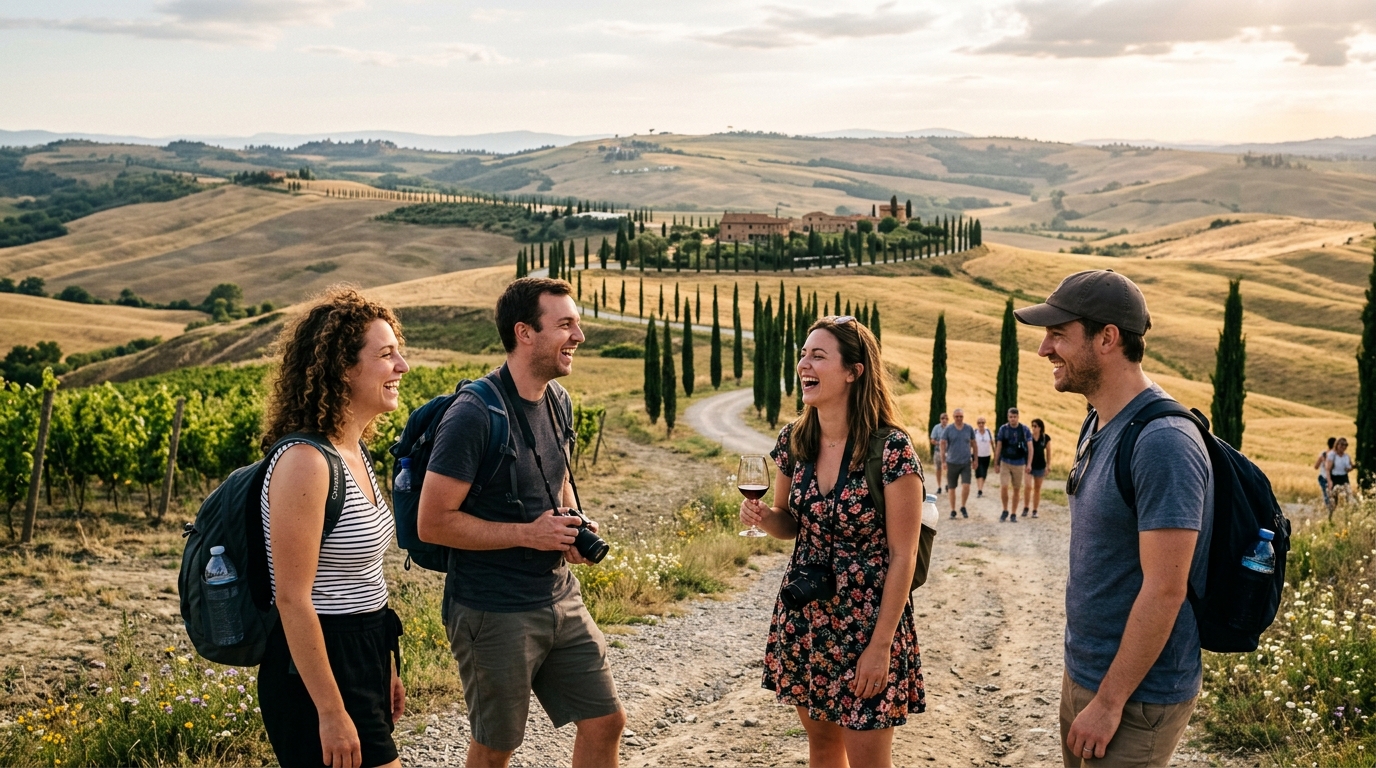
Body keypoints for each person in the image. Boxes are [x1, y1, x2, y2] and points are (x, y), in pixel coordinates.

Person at [416, 277, 625, 768]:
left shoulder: (557, 401)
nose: (579, 336)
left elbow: (556, 483)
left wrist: (571, 524)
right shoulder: (473, 414)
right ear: (524, 333)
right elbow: (432, 523)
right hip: (493, 609)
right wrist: (530, 535)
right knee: (496, 747)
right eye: (566, 325)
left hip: (559, 594)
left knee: (605, 720)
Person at [1015, 269, 1212, 768]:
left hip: (1136, 697)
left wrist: (1108, 702)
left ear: (1108, 338)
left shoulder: (1163, 442)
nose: (1043, 350)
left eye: (1058, 334)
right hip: (1088, 675)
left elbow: (1166, 589)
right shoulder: (1098, 420)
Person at [739, 315, 925, 768]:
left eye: (818, 355)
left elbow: (904, 556)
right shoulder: (795, 438)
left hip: (868, 626)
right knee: (822, 749)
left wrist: (880, 646)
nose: (804, 363)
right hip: (807, 620)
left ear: (853, 371)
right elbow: (789, 523)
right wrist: (765, 518)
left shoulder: (892, 450)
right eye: (803, 354)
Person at [258, 286, 409, 768]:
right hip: (318, 667)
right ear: (343, 368)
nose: (401, 366)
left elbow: (359, 579)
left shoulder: (353, 449)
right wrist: (330, 709)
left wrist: (383, 666)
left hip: (361, 651)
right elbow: (292, 598)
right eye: (386, 355)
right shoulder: (306, 462)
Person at [993, 408, 1033, 522]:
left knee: (1016, 489)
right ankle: (1005, 510)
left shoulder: (1024, 429)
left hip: (1019, 463)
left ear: (1018, 417)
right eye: (1010, 417)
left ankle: (1014, 513)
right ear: (1008, 417)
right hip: (1005, 462)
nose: (1013, 419)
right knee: (1004, 486)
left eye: (1014, 417)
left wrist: (1029, 463)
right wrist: (996, 463)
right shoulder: (1003, 429)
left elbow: (1030, 448)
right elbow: (999, 446)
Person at [940, 409, 977, 518]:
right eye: (957, 416)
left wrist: (975, 460)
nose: (959, 418)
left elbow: (974, 444)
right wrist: (943, 461)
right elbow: (942, 444)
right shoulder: (948, 429)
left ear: (963, 417)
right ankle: (952, 510)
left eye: (961, 416)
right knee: (952, 488)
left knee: (966, 485)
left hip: (966, 462)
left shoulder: (969, 428)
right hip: (952, 462)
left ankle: (963, 506)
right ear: (953, 417)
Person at [1024, 418, 1052, 519]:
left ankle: (1035, 510)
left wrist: (1048, 465)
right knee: (1027, 486)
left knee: (1037, 489)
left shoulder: (1045, 438)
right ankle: (1026, 507)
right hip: (1029, 465)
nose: (1033, 428)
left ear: (1040, 427)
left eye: (1035, 426)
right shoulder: (1029, 437)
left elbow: (1048, 453)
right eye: (1032, 426)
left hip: (1040, 465)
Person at [1326, 437, 1356, 518]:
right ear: (1337, 445)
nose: (1344, 447)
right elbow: (1328, 469)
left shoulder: (1347, 456)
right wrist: (1329, 481)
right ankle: (1330, 518)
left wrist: (1351, 468)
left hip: (1344, 478)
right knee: (1333, 500)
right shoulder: (1332, 455)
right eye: (1342, 444)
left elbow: (1350, 467)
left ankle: (1347, 517)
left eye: (1346, 445)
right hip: (1334, 477)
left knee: (1348, 497)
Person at [973, 416, 994, 498]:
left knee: (984, 473)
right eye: (979, 423)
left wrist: (995, 453)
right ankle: (979, 490)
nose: (981, 424)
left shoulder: (988, 432)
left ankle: (981, 488)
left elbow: (992, 443)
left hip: (986, 455)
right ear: (977, 424)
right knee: (978, 473)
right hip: (977, 456)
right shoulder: (975, 432)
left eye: (982, 423)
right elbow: (971, 444)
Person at [929, 413, 949, 493]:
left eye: (946, 418)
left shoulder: (950, 428)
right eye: (942, 418)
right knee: (938, 469)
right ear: (940, 419)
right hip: (938, 451)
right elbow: (932, 440)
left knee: (948, 469)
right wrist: (940, 443)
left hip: (948, 452)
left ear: (948, 420)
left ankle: (948, 484)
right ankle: (939, 486)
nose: (944, 420)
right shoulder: (936, 428)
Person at [1316, 437, 1336, 511]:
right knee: (1328, 496)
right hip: (1325, 478)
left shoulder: (1324, 453)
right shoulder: (1333, 455)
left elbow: (1316, 466)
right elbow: (1316, 466)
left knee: (1329, 496)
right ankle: (1329, 512)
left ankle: (1329, 511)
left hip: (1326, 477)